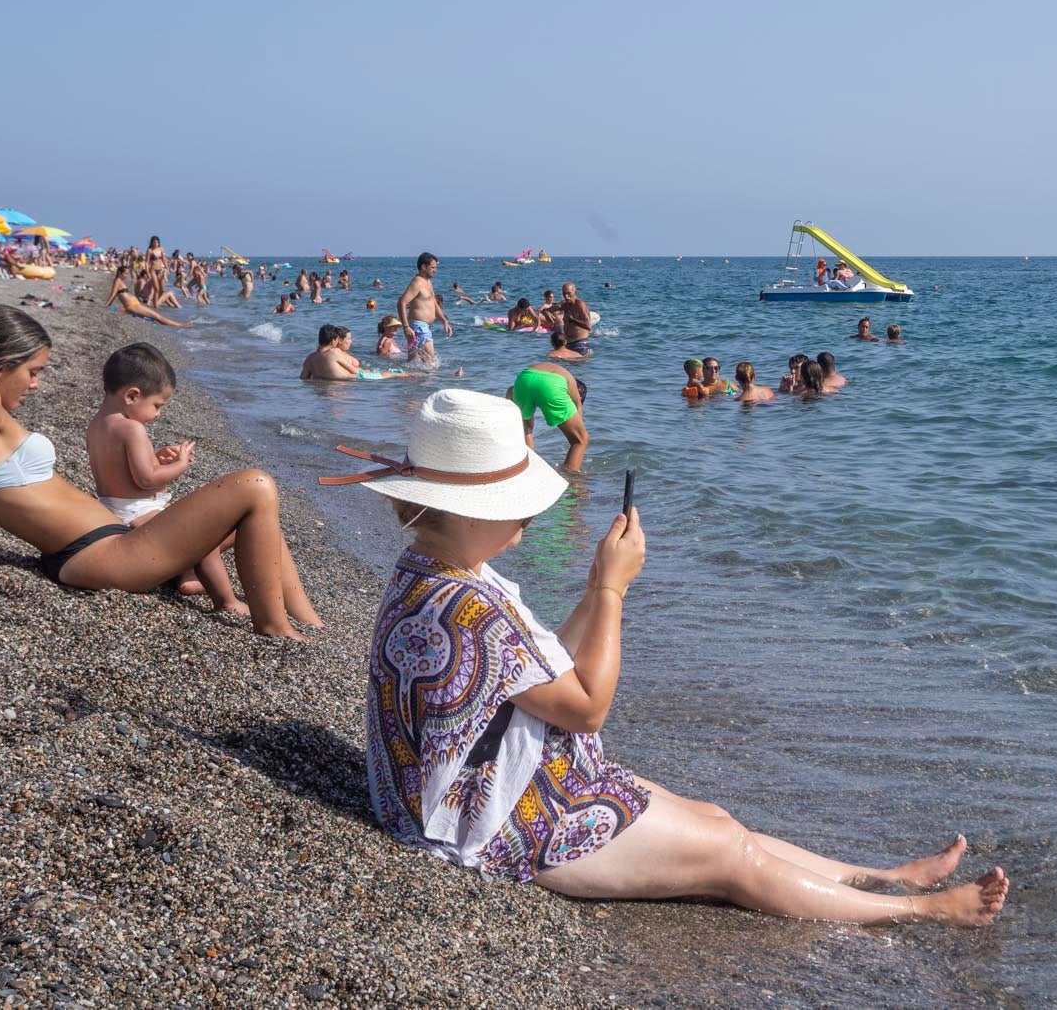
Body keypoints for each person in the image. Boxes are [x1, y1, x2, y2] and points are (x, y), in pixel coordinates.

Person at [346, 390, 1008, 924]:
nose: (528, 522)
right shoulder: (466, 606)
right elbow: (586, 705)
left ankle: (878, 878)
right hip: (487, 825)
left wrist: (594, 591)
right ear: (467, 511)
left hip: (484, 786)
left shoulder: (436, 573)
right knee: (728, 854)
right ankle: (923, 909)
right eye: (516, 508)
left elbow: (543, 663)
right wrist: (611, 588)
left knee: (718, 820)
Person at [0, 307, 319, 637]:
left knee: (258, 521)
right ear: (0, 366)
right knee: (257, 486)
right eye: (33, 372)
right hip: (106, 556)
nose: (35, 384)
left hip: (108, 545)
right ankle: (275, 628)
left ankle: (306, 620)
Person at [85, 343, 246, 615]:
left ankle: (186, 574)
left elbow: (123, 470)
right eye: (157, 405)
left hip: (113, 511)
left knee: (192, 524)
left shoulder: (97, 424)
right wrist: (180, 465)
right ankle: (227, 601)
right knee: (203, 537)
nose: (158, 413)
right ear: (132, 395)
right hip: (137, 514)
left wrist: (157, 456)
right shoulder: (132, 429)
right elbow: (147, 479)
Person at [509, 362, 590, 471]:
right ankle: (572, 482)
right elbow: (578, 408)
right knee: (581, 440)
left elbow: (510, 390)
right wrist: (576, 439)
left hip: (524, 378)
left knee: (526, 429)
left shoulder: (561, 372)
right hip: (551, 385)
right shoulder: (573, 390)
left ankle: (528, 468)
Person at [397, 252, 454, 363]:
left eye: (436, 267)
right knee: (431, 363)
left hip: (421, 327)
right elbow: (401, 303)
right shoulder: (417, 282)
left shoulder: (428, 282)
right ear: (423, 267)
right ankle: (434, 380)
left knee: (414, 363)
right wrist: (406, 327)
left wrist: (444, 321)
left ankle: (407, 379)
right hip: (418, 327)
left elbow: (433, 303)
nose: (435, 270)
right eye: (432, 267)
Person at [106, 266, 193, 328]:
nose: (127, 275)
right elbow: (113, 294)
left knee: (155, 317)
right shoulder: (117, 280)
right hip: (133, 306)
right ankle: (180, 325)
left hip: (135, 305)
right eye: (126, 273)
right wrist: (106, 306)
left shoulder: (120, 281)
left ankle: (178, 325)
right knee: (157, 317)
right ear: (120, 273)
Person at [558, 282, 594, 355]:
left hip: (580, 343)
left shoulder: (580, 305)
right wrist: (547, 313)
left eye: (569, 293)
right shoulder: (566, 304)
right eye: (564, 294)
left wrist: (573, 320)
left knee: (577, 364)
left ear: (575, 292)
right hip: (568, 343)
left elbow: (588, 326)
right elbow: (548, 309)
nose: (566, 296)